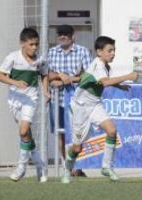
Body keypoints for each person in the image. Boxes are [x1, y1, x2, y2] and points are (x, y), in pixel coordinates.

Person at [61, 36, 137, 184]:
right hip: (80, 108)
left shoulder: (106, 66)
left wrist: (120, 86)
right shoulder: (98, 64)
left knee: (112, 130)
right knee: (77, 149)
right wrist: (128, 76)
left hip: (95, 104)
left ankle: (106, 167)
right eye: (109, 50)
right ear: (99, 52)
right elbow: (105, 82)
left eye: (114, 50)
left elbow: (103, 81)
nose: (113, 53)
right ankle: (67, 169)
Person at [0, 27, 50, 182]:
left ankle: (21, 167)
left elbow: (44, 74)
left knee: (23, 131)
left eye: (36, 44)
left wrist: (45, 91)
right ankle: (40, 164)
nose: (34, 48)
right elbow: (0, 75)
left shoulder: (41, 58)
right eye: (31, 44)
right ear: (22, 43)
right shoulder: (13, 57)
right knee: (26, 134)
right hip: (14, 99)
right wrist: (15, 82)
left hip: (30, 99)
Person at [47, 24, 92, 177]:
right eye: (60, 33)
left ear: (74, 36)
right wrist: (60, 76)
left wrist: (70, 79)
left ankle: (76, 165)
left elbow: (88, 76)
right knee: (60, 134)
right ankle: (68, 167)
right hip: (56, 100)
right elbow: (47, 75)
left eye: (66, 34)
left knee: (77, 133)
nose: (63, 36)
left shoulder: (83, 52)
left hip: (77, 100)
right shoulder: (51, 52)